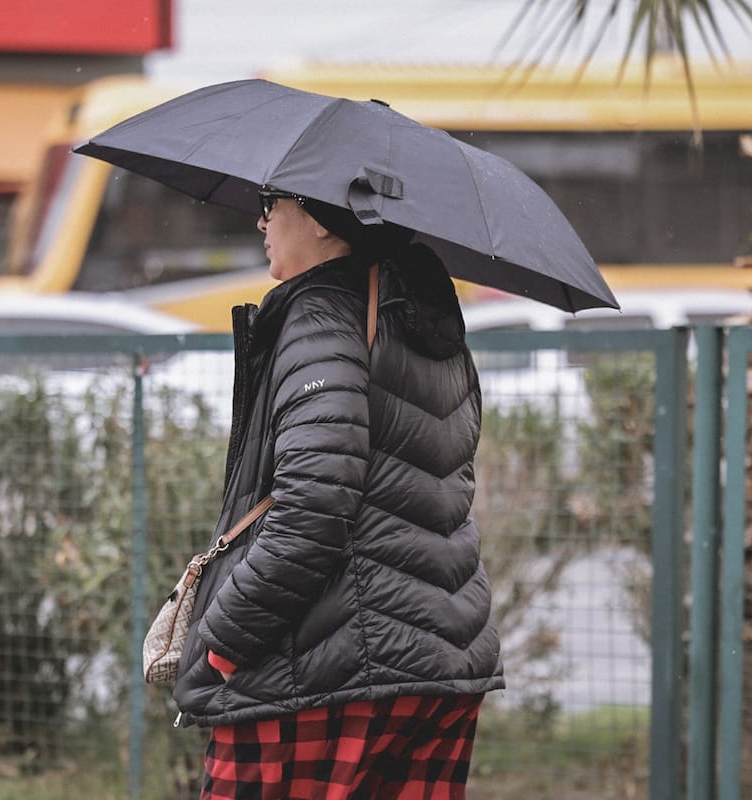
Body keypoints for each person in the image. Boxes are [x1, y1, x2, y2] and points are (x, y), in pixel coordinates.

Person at [173, 185, 504, 799]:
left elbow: (313, 509)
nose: (261, 219)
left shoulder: (321, 317)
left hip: (325, 673)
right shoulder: (426, 321)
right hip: (442, 665)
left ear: (326, 221)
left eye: (275, 202)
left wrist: (220, 642)